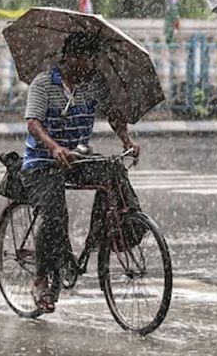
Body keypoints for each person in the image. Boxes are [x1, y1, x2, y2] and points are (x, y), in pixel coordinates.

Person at [22, 31, 141, 314]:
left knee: (113, 171)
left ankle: (115, 229)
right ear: (72, 58)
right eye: (88, 58)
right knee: (54, 214)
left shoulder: (93, 83)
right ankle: (41, 279)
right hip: (43, 162)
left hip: (77, 158)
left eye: (94, 59)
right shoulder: (43, 83)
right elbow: (33, 124)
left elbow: (113, 113)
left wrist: (127, 140)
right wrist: (53, 148)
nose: (92, 64)